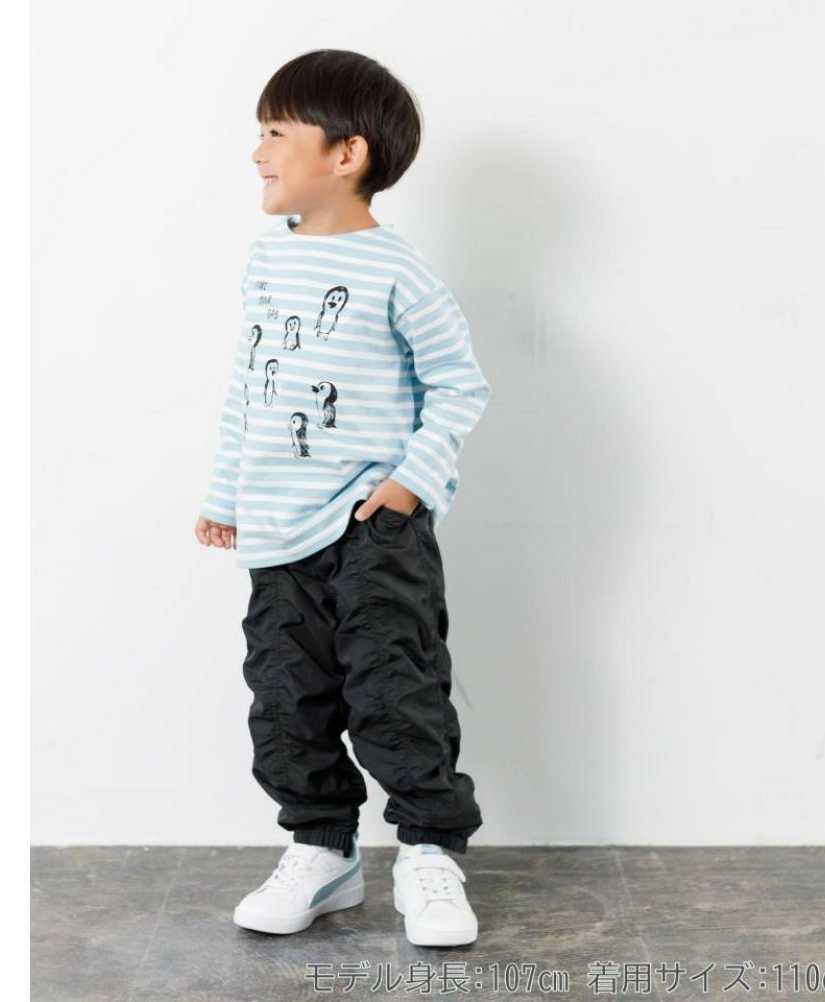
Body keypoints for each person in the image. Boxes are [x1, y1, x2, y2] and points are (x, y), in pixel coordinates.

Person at [193, 49, 491, 948]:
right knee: (287, 697)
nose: (258, 151)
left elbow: (459, 383)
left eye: (276, 132)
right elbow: (251, 384)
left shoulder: (398, 270)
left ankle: (430, 853)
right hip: (277, 530)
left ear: (345, 153)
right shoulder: (265, 261)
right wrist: (226, 493)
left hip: (373, 528)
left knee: (396, 690)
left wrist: (409, 483)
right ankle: (323, 851)